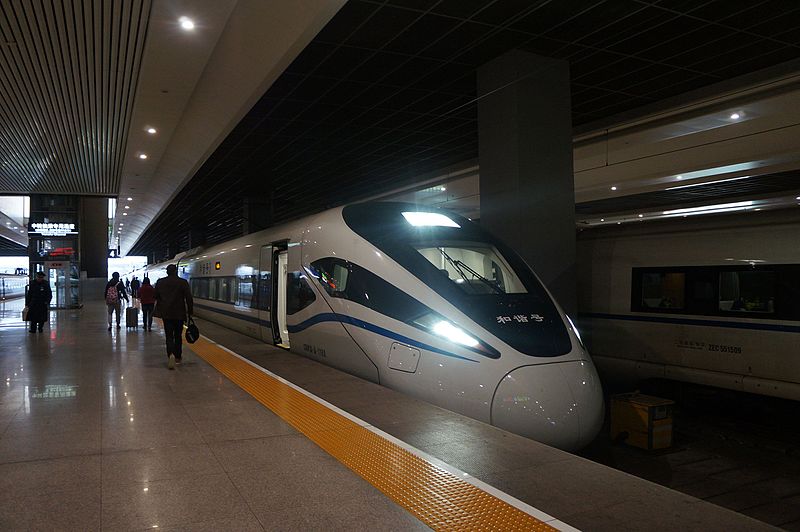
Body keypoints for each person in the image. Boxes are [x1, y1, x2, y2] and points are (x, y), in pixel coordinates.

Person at [154, 264, 193, 369]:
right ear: (176, 271)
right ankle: (178, 356)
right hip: (179, 314)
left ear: (167, 272)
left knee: (169, 335)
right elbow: (189, 298)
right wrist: (190, 312)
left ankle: (170, 354)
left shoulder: (160, 282)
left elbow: (155, 296)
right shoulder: (183, 282)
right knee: (178, 336)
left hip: (166, 314)